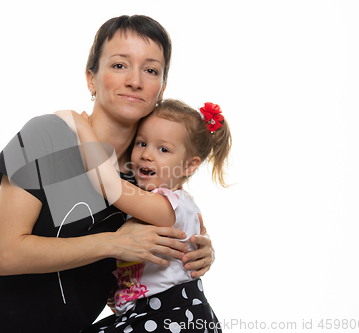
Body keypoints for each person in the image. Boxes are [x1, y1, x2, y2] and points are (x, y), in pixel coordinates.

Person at [0, 15, 215, 333]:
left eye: (150, 70)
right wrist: (114, 243)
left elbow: (140, 268)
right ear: (91, 79)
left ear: (161, 88)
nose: (135, 80)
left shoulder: (145, 180)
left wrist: (192, 254)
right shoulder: (49, 136)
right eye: (119, 65)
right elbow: (8, 254)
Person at [56, 99, 230, 333]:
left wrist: (81, 127)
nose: (147, 154)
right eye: (141, 143)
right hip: (144, 313)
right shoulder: (150, 203)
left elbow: (108, 184)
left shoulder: (171, 205)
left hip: (170, 316)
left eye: (163, 149)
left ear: (189, 166)